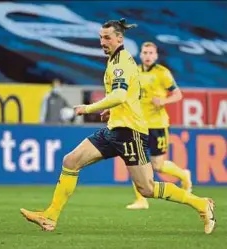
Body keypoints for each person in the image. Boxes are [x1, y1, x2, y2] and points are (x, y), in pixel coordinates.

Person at [19, 18, 216, 234]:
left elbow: (121, 94)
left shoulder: (122, 61)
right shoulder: (115, 60)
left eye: (107, 38)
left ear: (119, 38)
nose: (102, 42)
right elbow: (128, 95)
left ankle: (201, 204)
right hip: (114, 129)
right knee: (71, 161)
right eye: (101, 37)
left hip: (131, 133)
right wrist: (111, 111)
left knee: (147, 188)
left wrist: (89, 108)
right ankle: (50, 216)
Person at [111, 41, 191, 210]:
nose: (147, 56)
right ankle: (141, 200)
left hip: (158, 124)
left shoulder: (163, 73)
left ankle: (184, 175)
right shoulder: (134, 72)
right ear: (140, 55)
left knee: (157, 166)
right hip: (138, 123)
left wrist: (163, 101)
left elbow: (178, 95)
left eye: (151, 53)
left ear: (156, 56)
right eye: (145, 52)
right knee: (135, 160)